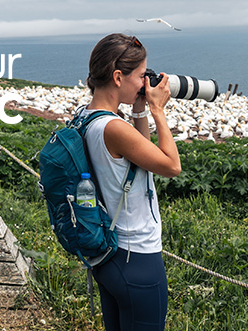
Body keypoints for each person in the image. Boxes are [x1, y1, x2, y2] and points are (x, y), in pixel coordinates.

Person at [80, 33, 181, 330]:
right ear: (117, 77)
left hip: (109, 253)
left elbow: (140, 157)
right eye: (140, 75)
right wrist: (157, 110)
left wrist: (139, 110)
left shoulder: (86, 117)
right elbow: (171, 166)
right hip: (136, 256)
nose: (144, 83)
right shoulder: (113, 127)